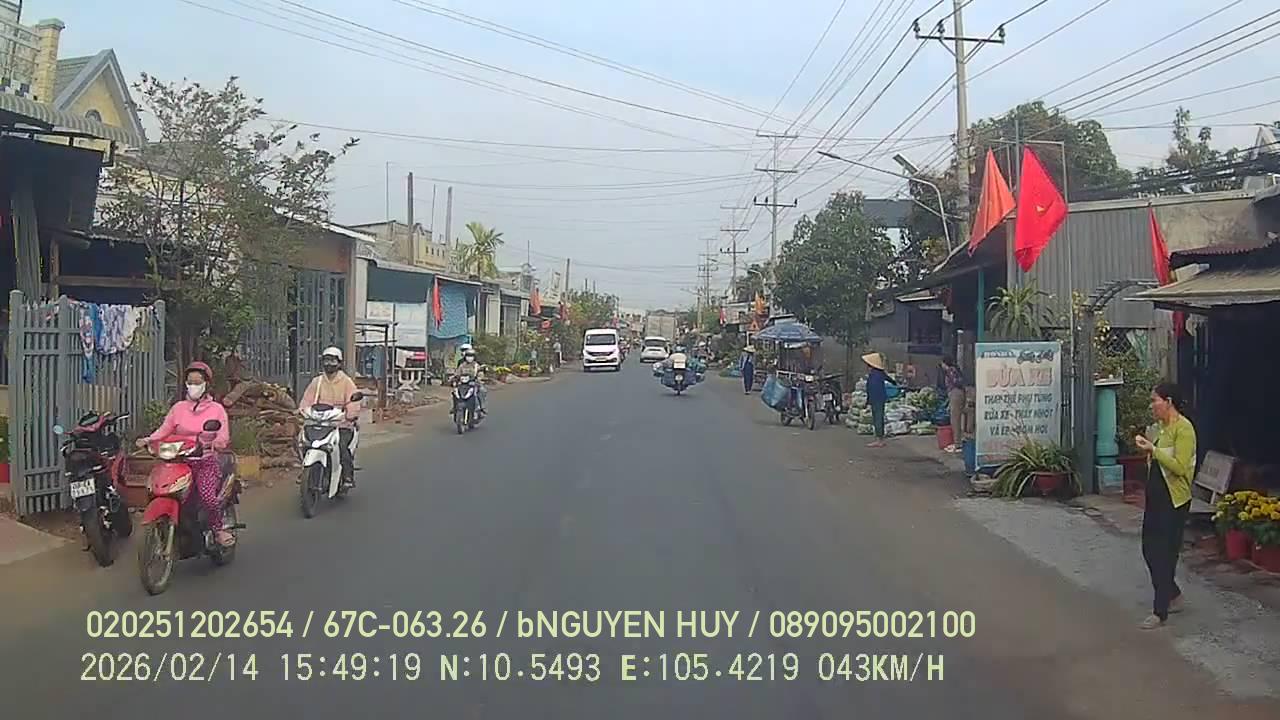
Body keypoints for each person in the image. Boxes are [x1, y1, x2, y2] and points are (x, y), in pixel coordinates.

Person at [136, 361, 233, 546]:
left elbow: (223, 435)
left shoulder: (216, 410)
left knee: (207, 497)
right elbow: (164, 429)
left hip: (204, 461)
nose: (193, 386)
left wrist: (217, 442)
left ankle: (218, 529)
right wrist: (148, 439)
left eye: (197, 382)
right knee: (161, 489)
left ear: (206, 384)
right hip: (179, 462)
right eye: (190, 382)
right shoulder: (178, 408)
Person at [1134, 381, 1197, 630]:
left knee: (1166, 554)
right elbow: (1157, 463)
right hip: (1156, 498)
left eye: (1155, 400)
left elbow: (1180, 467)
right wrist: (1148, 450)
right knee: (1149, 549)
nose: (1152, 406)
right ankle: (1172, 593)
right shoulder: (1160, 428)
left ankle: (1160, 611)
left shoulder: (1184, 429)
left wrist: (1154, 450)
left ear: (1168, 402)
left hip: (1174, 501)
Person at [299, 347, 362, 487]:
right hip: (319, 423)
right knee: (304, 442)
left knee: (341, 447)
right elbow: (307, 400)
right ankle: (305, 470)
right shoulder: (317, 382)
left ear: (339, 363)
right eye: (326, 360)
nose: (329, 364)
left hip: (341, 425)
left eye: (333, 361)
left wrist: (350, 415)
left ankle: (347, 476)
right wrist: (303, 411)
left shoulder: (346, 382)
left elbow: (353, 402)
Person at [862, 352, 895, 448]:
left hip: (876, 399)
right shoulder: (880, 373)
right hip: (880, 398)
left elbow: (871, 389)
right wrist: (895, 383)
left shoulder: (874, 375)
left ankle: (879, 440)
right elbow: (889, 379)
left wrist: (868, 401)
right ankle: (880, 439)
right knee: (879, 418)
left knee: (878, 418)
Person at [941, 356, 964, 453]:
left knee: (955, 419)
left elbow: (956, 382)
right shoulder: (954, 370)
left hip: (955, 393)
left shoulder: (951, 371)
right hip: (955, 394)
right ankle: (958, 442)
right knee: (956, 418)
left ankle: (958, 444)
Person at [456, 348, 487, 415]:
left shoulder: (476, 365)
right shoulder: (462, 365)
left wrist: (479, 379)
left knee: (482, 390)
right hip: (463, 384)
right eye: (468, 356)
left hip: (474, 383)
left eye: (471, 356)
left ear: (474, 357)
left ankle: (481, 407)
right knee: (455, 392)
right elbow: (457, 373)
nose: (469, 358)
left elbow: (480, 374)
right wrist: (454, 378)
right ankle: (455, 407)